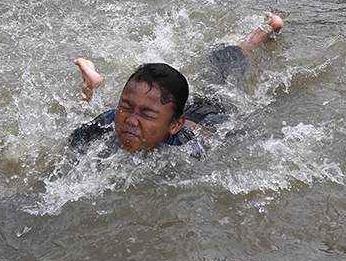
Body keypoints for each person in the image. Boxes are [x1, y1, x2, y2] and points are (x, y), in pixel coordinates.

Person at [69, 13, 284, 155]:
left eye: (146, 115)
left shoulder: (187, 148)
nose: (131, 121)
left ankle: (262, 34)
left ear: (174, 126)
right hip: (172, 110)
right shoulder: (108, 121)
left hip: (208, 116)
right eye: (126, 107)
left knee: (221, 78)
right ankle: (90, 87)